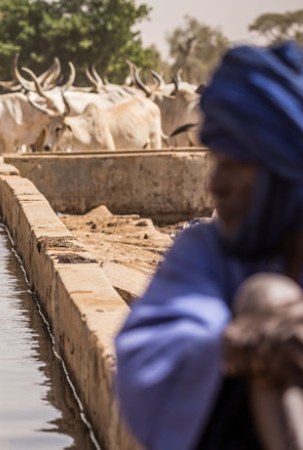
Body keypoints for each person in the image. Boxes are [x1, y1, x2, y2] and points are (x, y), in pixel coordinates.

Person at [115, 41, 303, 450]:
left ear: (284, 166)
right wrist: (246, 346)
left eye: (234, 164)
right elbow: (147, 357)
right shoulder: (208, 249)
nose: (214, 184)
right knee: (266, 296)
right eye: (215, 161)